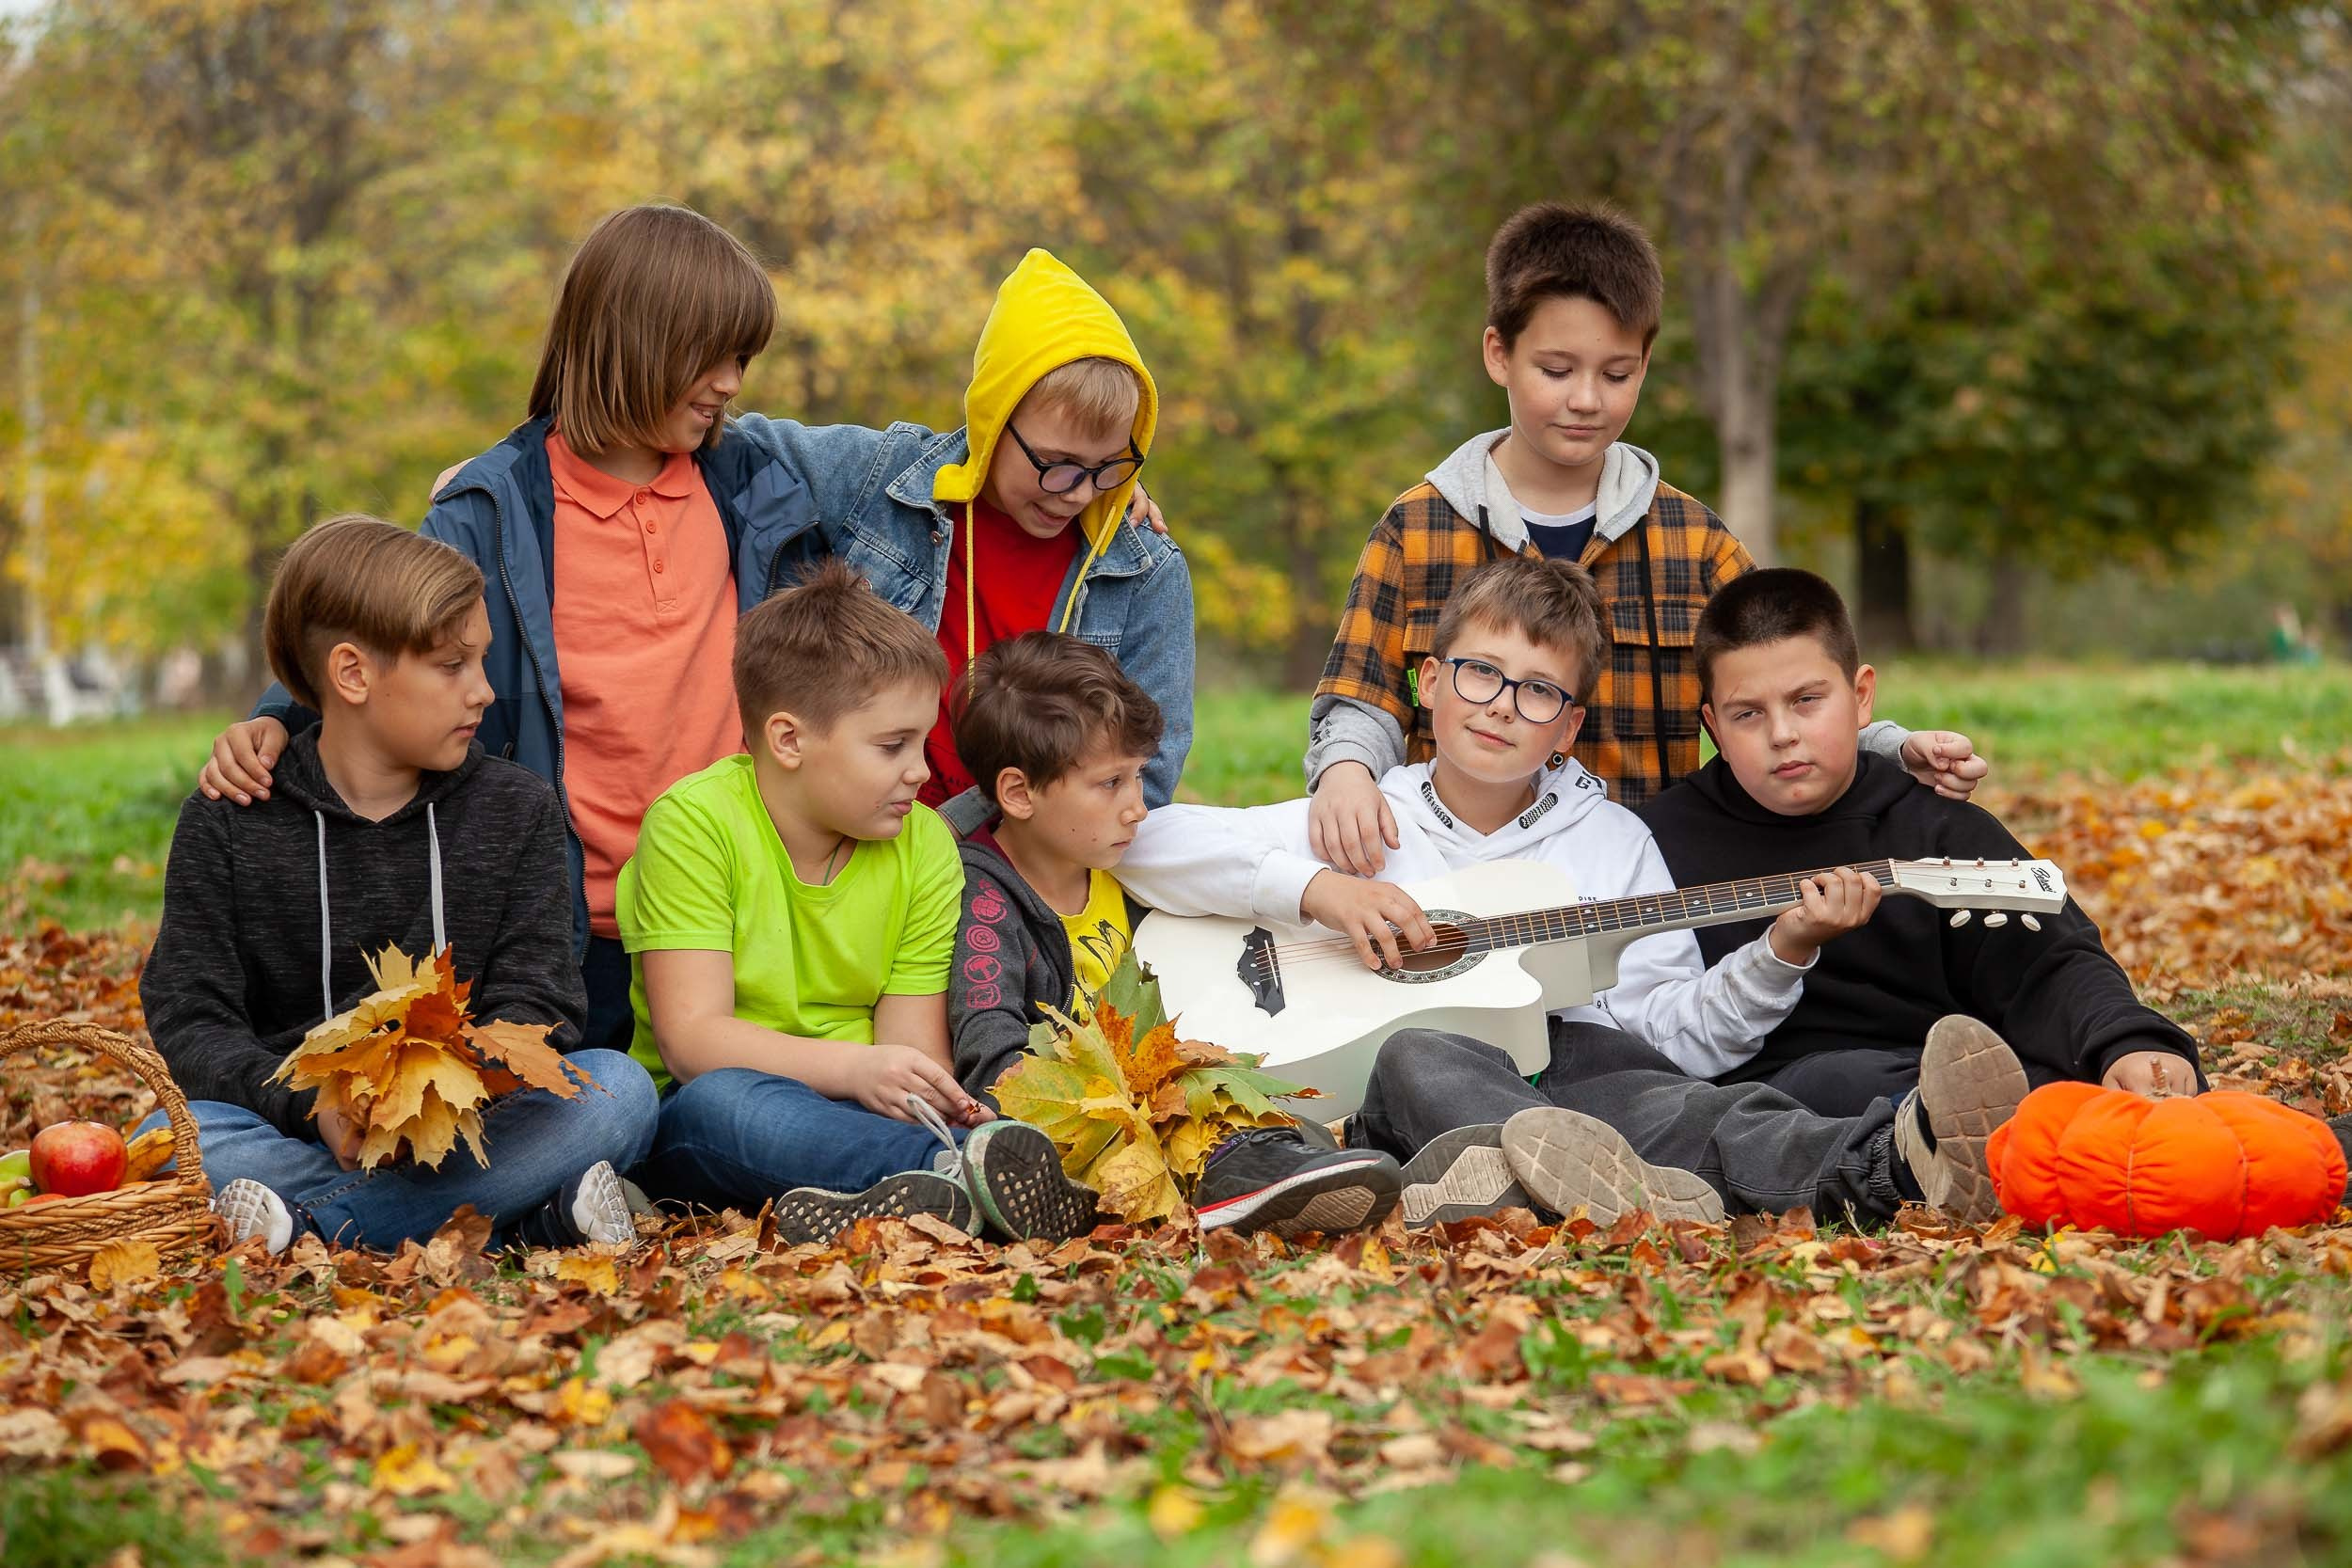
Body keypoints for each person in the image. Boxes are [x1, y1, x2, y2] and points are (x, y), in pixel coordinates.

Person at [196, 215, 1184, 1060]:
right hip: (564, 920)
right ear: (629, 343)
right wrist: (285, 715)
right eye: (708, 358)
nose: (728, 384)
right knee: (607, 1101)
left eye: (741, 361)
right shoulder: (496, 511)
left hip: (749, 913)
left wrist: (1102, 468)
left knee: (726, 1094)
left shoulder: (751, 480)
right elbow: (385, 627)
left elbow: (926, 467)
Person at [1116, 555, 1881, 1227]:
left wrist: (1781, 952)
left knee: (1693, 1105)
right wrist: (1320, 890)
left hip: (1575, 1080)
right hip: (1401, 1092)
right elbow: (1143, 841)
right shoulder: (1359, 818)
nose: (1504, 704)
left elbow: (1673, 1039)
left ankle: (1890, 1158)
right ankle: (1591, 1176)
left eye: (1540, 691)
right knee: (1419, 1051)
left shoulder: (1611, 844)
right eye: (1482, 672)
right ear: (1430, 680)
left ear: (1569, 727)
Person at [1303, 200, 1985, 881]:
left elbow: (1780, 683)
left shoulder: (1692, 542)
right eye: (1557, 370)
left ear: (1646, 364)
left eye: (1617, 374)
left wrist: (1892, 748)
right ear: (1499, 355)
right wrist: (1344, 772)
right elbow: (1362, 700)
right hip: (1454, 888)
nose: (1587, 399)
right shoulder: (1417, 529)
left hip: (1644, 893)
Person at [139, 516, 659, 1255]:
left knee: (618, 1089)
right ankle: (520, 1221)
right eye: (452, 666)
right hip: (292, 1124)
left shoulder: (516, 808)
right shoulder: (232, 818)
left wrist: (446, 1087)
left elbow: (540, 1000)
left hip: (467, 1126)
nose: (482, 691)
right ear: (353, 673)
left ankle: (311, 1227)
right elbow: (191, 1017)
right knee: (165, 1133)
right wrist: (314, 1105)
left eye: (482, 661)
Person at [618, 562, 1100, 1245]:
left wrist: (911, 1088)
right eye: (891, 745)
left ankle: (912, 1192)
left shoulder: (924, 842)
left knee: (895, 1126)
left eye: (922, 741)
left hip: (867, 1111)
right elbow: (693, 1041)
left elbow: (907, 1050)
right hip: (714, 1111)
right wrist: (856, 1069)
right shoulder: (695, 824)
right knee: (725, 1105)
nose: (922, 771)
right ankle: (953, 1180)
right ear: (789, 740)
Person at [1635, 566, 2204, 1116]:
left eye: (1807, 700)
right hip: (1771, 1110)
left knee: (2074, 1086)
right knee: (1835, 1081)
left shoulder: (1938, 828)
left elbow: (2052, 962)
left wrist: (2125, 1039)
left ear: (1861, 697)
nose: (1783, 734)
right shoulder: (1654, 844)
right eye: (1748, 714)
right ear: (1712, 726)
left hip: (1945, 1074)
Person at [946, 632, 1403, 1239]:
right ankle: (1243, 1184)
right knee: (1203, 1127)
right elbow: (990, 1054)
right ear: (1019, 793)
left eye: (1138, 777)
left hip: (1173, 1089)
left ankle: (1287, 1163)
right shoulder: (987, 902)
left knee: (1272, 1105)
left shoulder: (1119, 865)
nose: (1138, 806)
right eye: (1111, 784)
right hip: (1090, 1119)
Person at [731, 246, 1194, 832]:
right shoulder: (884, 479)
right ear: (992, 421)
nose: (1078, 493)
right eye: (1057, 463)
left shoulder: (1144, 569)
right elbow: (730, 439)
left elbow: (1144, 781)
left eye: (1109, 467)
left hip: (1014, 873)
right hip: (850, 849)